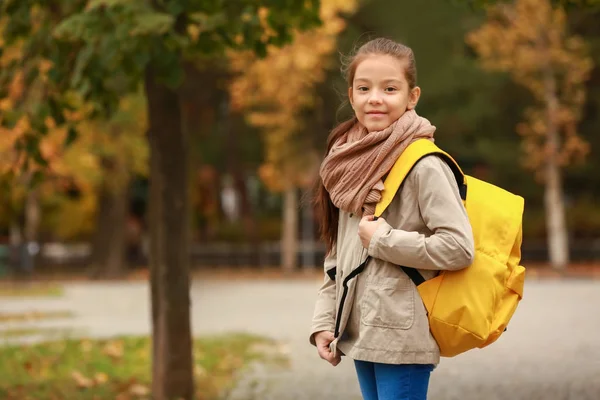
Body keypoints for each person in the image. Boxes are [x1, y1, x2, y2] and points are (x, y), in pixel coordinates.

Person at [310, 37, 475, 400]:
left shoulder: (424, 164)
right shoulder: (348, 164)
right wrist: (325, 321)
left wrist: (384, 240)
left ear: (412, 96)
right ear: (351, 95)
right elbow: (339, 257)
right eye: (364, 88)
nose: (375, 98)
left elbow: (460, 248)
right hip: (361, 330)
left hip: (402, 333)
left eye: (389, 88)